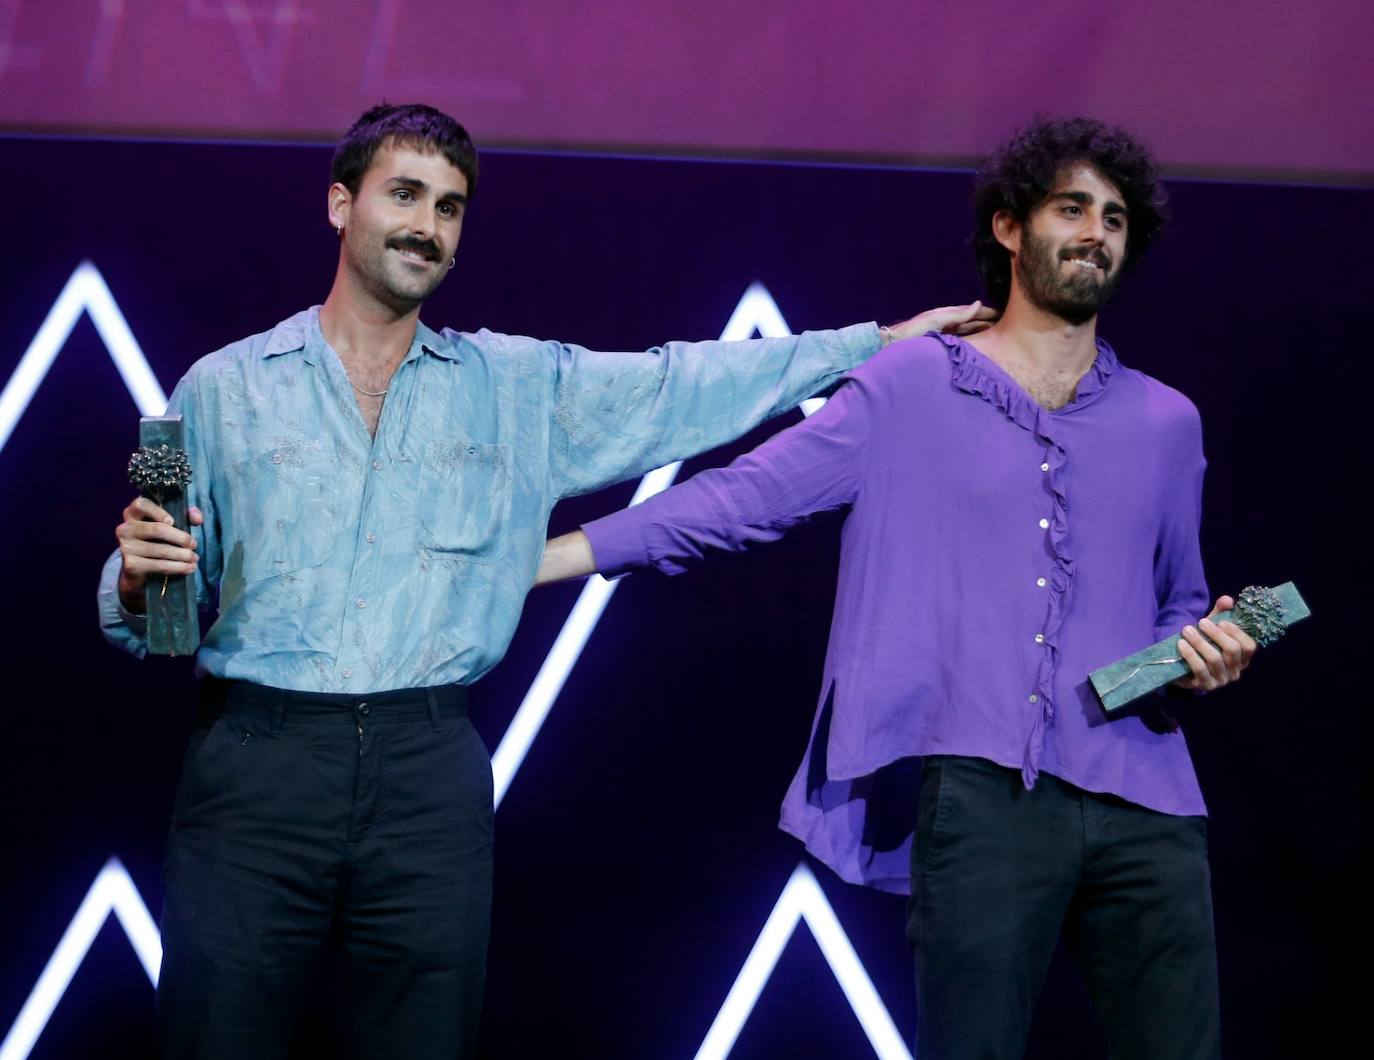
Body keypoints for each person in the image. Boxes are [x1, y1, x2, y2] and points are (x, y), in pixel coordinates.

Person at [97, 102, 993, 1059]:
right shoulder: (224, 388)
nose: (426, 225)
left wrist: (876, 345)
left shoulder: (517, 386)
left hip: (425, 766)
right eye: (404, 195)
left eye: (449, 208)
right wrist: (140, 581)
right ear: (339, 205)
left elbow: (678, 384)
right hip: (258, 763)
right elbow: (166, 616)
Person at [536, 116, 1255, 1059]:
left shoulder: (1168, 422)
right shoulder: (914, 384)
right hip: (985, 799)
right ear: (1009, 227)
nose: (1096, 233)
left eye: (1115, 218)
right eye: (1071, 208)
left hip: (1151, 802)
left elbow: (1177, 601)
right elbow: (743, 499)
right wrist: (538, 563)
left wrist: (1203, 657)